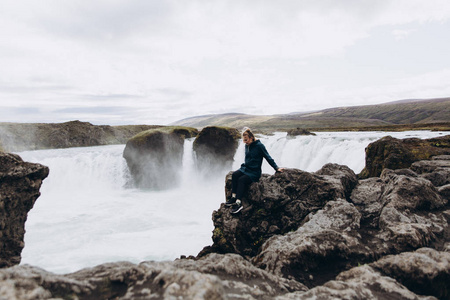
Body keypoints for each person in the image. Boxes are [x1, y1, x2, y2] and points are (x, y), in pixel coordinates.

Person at [226, 128, 284, 213]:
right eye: (243, 140)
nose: (245, 142)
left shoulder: (259, 146)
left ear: (251, 137)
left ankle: (239, 203)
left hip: (254, 172)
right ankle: (234, 197)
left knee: (241, 180)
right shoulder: (247, 145)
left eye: (246, 140)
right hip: (246, 168)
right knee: (235, 175)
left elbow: (268, 157)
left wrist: (276, 168)